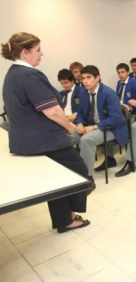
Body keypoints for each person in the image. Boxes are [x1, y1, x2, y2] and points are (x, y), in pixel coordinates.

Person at [1, 32, 90, 233]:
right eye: (38, 50)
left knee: (57, 180)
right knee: (80, 172)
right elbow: (52, 110)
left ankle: (64, 220)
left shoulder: (12, 75)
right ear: (25, 52)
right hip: (45, 140)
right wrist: (70, 128)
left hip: (26, 140)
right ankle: (69, 217)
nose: (42, 54)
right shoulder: (29, 75)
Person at [69, 65, 128, 178]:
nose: (85, 81)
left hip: (112, 128)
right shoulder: (83, 93)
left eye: (88, 77)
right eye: (83, 78)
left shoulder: (108, 93)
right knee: (67, 136)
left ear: (97, 78)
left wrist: (93, 127)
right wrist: (80, 124)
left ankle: (87, 178)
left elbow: (115, 118)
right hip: (90, 125)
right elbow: (80, 112)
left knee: (87, 139)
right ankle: (73, 169)